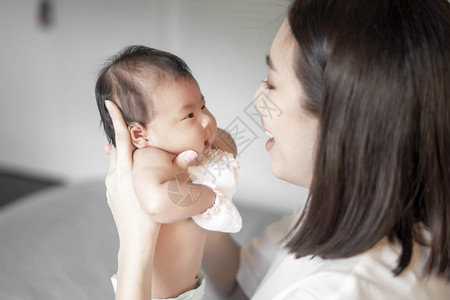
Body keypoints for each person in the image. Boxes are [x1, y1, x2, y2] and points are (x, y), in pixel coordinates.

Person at [103, 0, 450, 299]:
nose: (257, 100)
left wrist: (135, 246)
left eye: (272, 83)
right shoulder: (341, 208)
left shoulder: (340, 291)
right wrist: (196, 198)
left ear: (344, 119)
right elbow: (241, 283)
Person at [95, 45, 242, 299]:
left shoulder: (183, 151)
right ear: (140, 135)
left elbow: (230, 146)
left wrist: (205, 134)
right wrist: (208, 198)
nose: (206, 119)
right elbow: (156, 202)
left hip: (192, 289)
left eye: (204, 106)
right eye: (189, 115)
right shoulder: (149, 159)